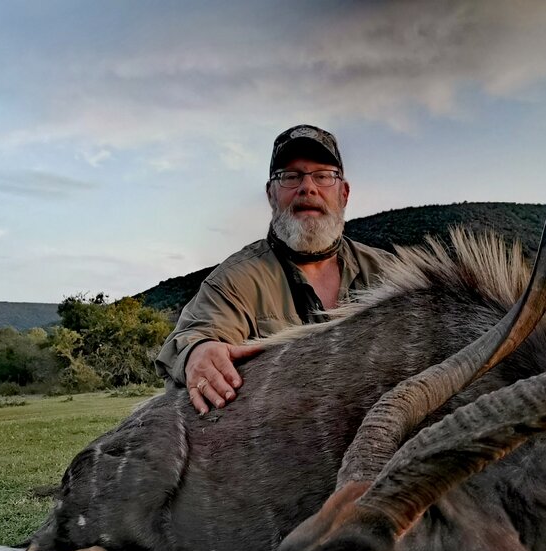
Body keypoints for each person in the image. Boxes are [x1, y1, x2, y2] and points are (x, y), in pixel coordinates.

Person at [155, 125, 391, 414]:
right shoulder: (235, 280)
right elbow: (197, 334)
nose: (308, 187)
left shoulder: (390, 272)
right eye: (291, 177)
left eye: (323, 176)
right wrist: (198, 353)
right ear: (271, 193)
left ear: (344, 192)